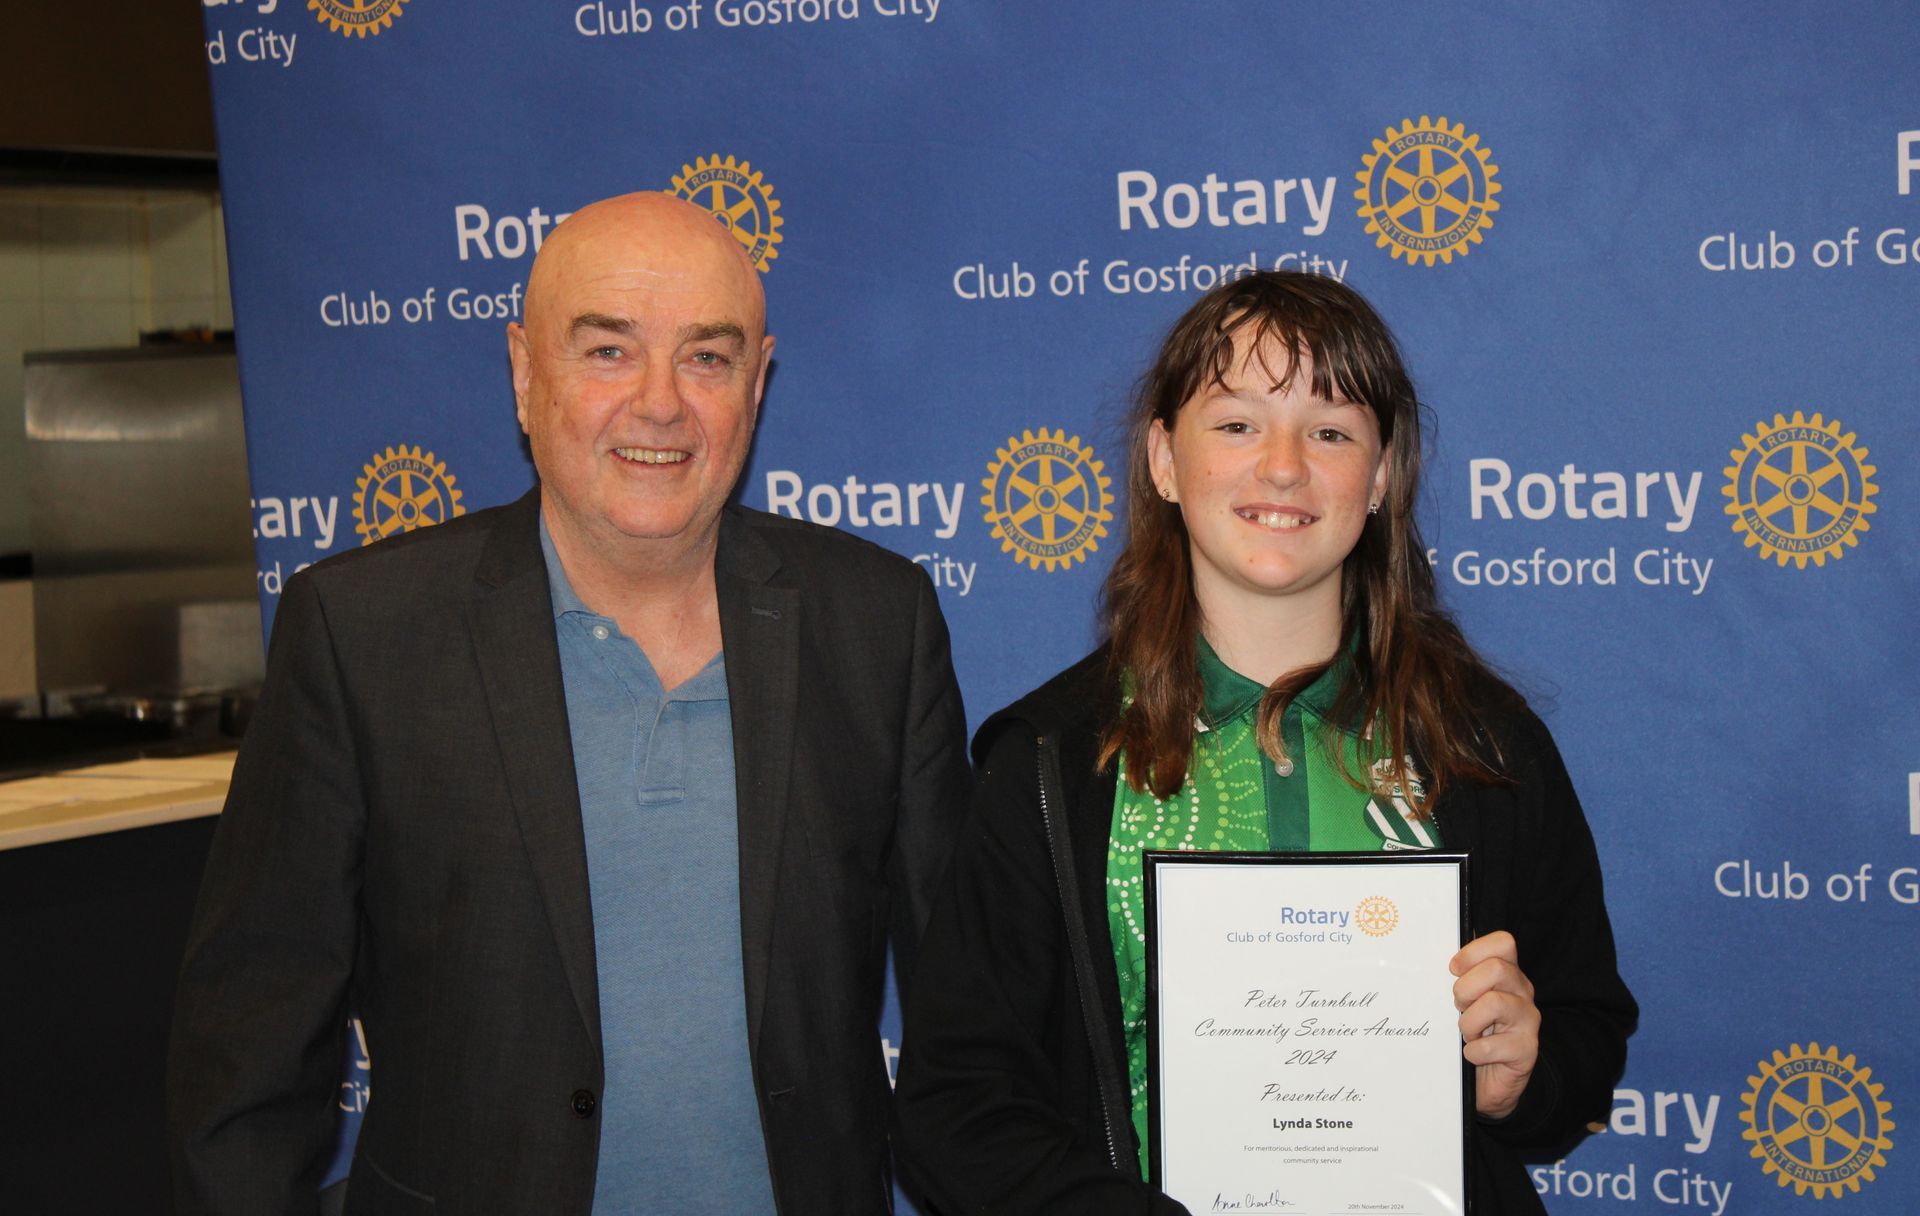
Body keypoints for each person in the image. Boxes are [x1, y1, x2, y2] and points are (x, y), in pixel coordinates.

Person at [168, 192, 971, 1215]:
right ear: (523, 371)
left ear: (758, 381)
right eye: (608, 351)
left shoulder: (878, 623)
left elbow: (971, 1016)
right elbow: (248, 1056)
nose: (660, 403)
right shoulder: (362, 633)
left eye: (707, 357)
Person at [892, 271, 1635, 1214]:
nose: (1283, 467)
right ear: (1164, 460)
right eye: (1238, 423)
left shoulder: (1484, 747)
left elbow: (1584, 1032)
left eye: (1330, 432)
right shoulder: (1051, 762)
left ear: (1381, 477)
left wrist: (1522, 1073)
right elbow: (956, 1107)